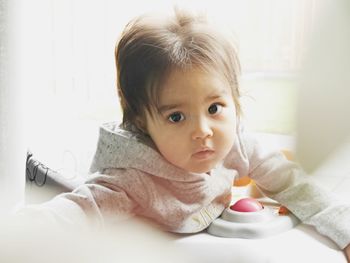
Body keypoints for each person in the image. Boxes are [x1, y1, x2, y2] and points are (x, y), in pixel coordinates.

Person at [18, 8, 350, 260]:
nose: (203, 131)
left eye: (215, 108)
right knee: (66, 190)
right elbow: (78, 211)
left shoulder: (238, 145)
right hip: (123, 208)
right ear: (142, 123)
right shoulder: (131, 180)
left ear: (235, 100)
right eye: (177, 116)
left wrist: (344, 232)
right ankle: (36, 171)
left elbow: (293, 183)